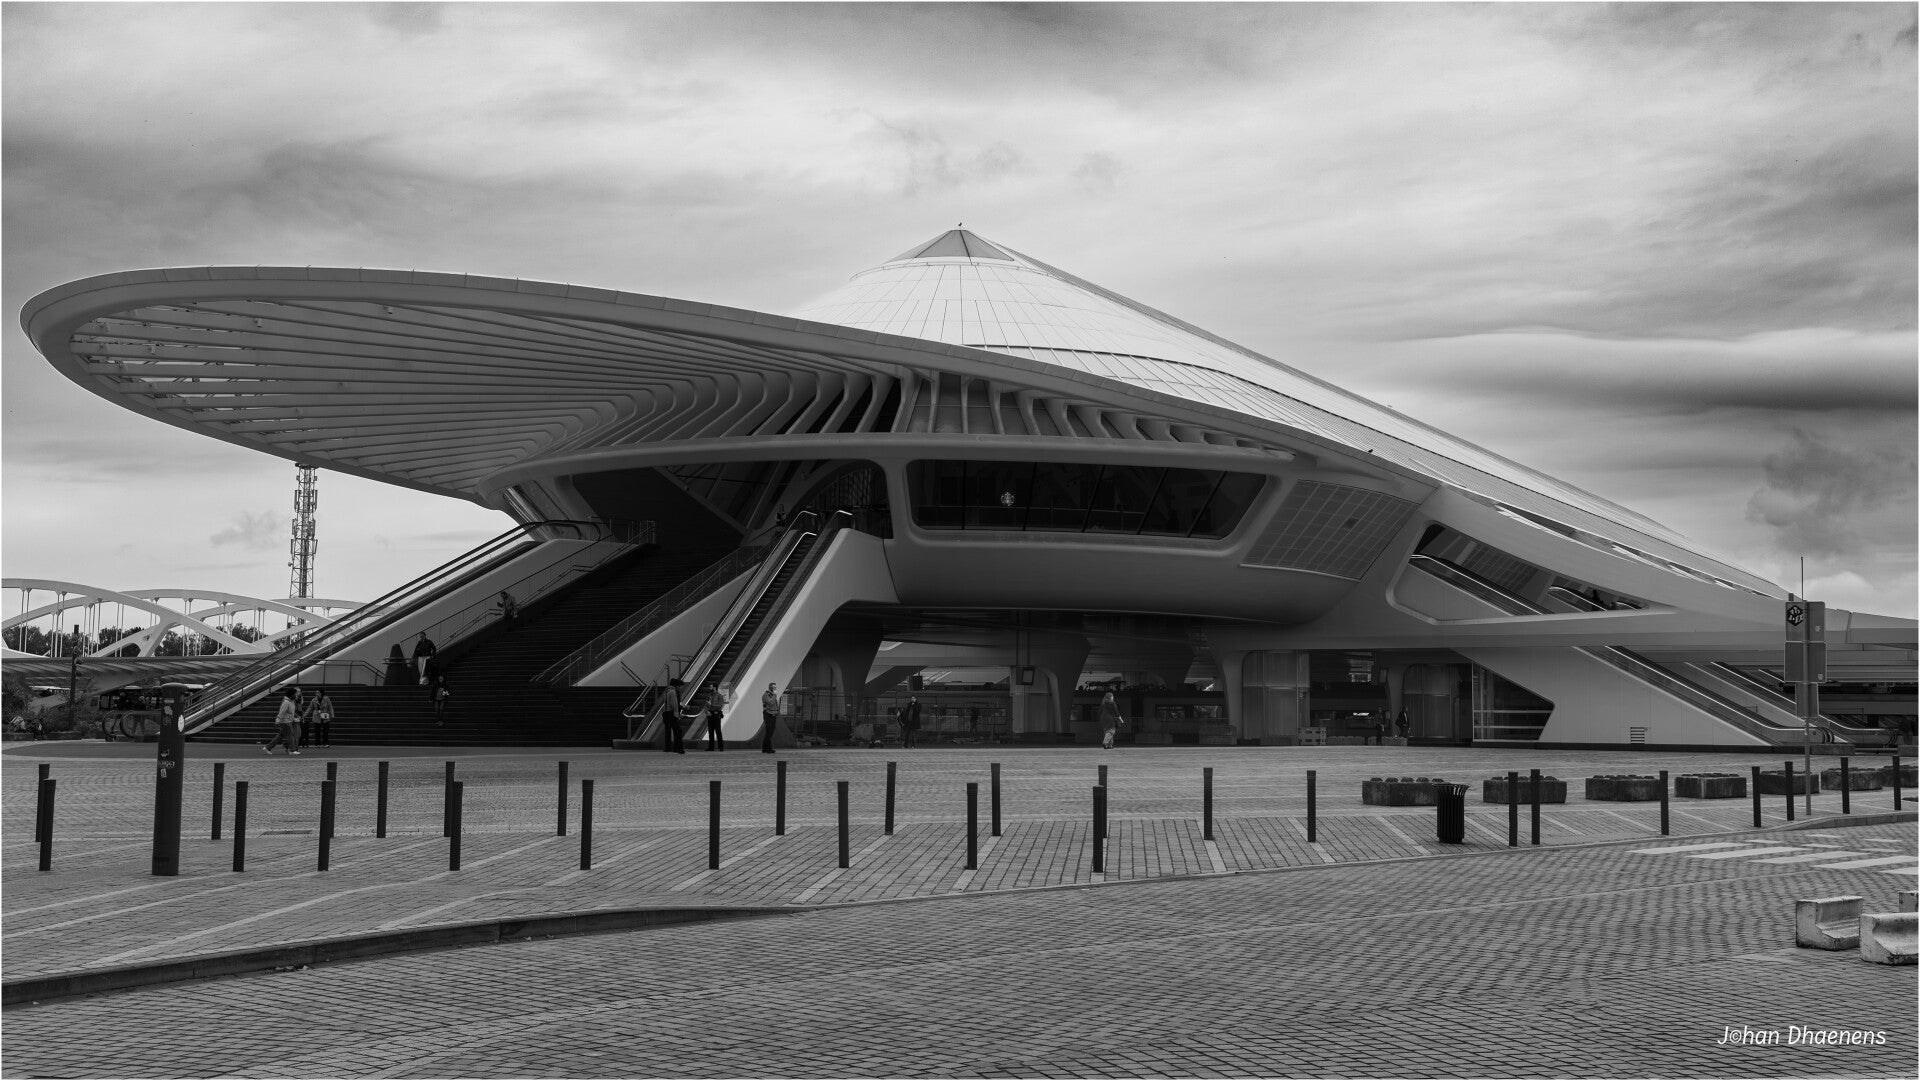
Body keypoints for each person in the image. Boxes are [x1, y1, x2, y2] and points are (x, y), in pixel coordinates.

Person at [264, 687, 301, 755]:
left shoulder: (291, 701)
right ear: (291, 695)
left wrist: (296, 716)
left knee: (280, 736)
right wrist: (277, 721)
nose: (296, 695)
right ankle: (292, 750)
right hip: (285, 722)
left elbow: (291, 712)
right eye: (295, 694)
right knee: (291, 735)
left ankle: (268, 747)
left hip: (288, 721)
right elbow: (281, 712)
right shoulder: (286, 702)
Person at [660, 678, 687, 753]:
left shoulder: (667, 691)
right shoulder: (673, 692)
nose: (681, 688)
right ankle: (679, 749)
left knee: (668, 731)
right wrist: (677, 714)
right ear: (677, 686)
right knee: (678, 731)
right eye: (680, 686)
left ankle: (668, 748)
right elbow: (674, 704)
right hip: (671, 713)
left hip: (665, 713)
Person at [704, 686, 727, 752]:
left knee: (718, 731)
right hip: (710, 714)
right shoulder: (709, 695)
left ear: (714, 688)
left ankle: (721, 747)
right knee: (710, 731)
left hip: (716, 714)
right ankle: (711, 747)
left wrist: (711, 705)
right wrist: (707, 711)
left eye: (710, 687)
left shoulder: (720, 696)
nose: (709, 688)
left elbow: (719, 706)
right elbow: (706, 705)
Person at [760, 683, 780, 754]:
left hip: (773, 715)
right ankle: (768, 749)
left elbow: (774, 705)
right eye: (774, 687)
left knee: (770, 732)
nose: (775, 688)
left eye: (775, 687)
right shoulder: (766, 695)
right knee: (769, 732)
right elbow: (770, 703)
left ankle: (765, 748)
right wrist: (775, 695)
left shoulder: (772, 695)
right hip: (768, 715)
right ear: (770, 688)